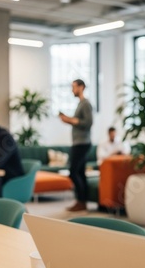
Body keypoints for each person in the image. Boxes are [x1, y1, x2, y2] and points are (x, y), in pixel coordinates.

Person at [59, 79, 93, 212]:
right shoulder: (80, 104)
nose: (72, 90)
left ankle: (81, 200)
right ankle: (82, 202)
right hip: (78, 143)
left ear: (81, 87)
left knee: (73, 172)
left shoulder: (86, 104)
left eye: (74, 87)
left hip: (82, 143)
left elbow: (88, 123)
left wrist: (69, 120)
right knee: (80, 173)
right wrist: (68, 120)